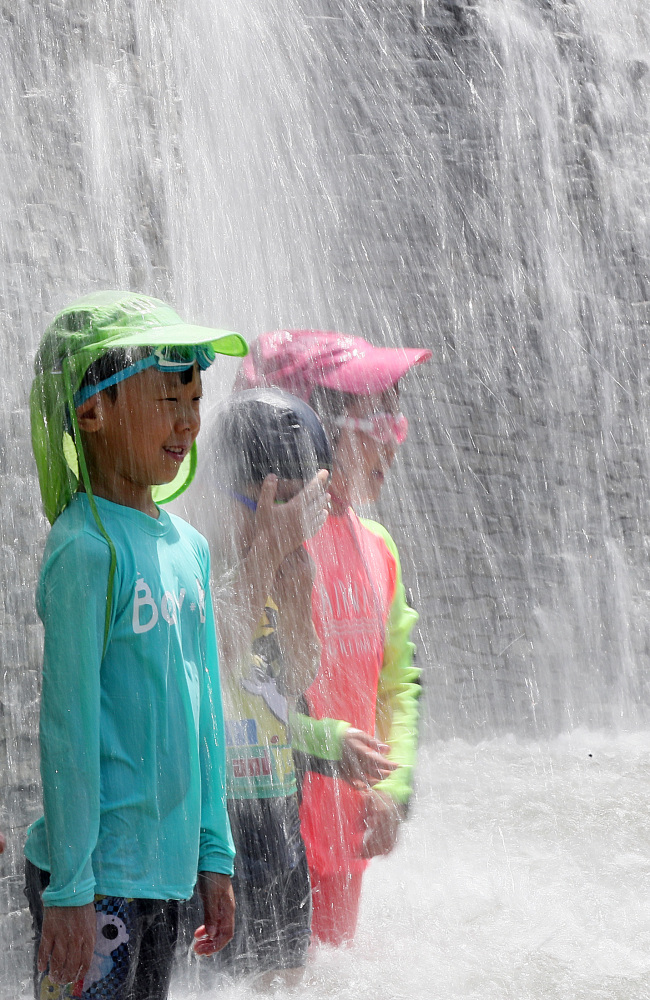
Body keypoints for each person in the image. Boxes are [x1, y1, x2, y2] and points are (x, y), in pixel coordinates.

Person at [24, 290, 248, 1000]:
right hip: (95, 882)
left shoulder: (191, 550)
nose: (188, 420)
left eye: (195, 397)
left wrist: (216, 852)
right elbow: (67, 728)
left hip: (169, 872)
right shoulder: (86, 550)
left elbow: (207, 711)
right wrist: (69, 890)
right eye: (168, 397)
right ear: (93, 411)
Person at [234, 328, 431, 946]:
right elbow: (236, 698)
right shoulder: (266, 549)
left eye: (397, 414)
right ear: (305, 424)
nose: (394, 436)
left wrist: (393, 789)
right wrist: (325, 744)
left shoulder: (380, 551)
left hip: (347, 835)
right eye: (376, 414)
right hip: (268, 837)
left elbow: (399, 683)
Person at [186, 388, 331, 988]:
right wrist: (266, 557)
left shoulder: (293, 565)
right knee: (207, 979)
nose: (289, 525)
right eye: (275, 507)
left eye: (302, 509)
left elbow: (297, 677)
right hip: (212, 826)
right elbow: (208, 658)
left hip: (275, 806)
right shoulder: (194, 557)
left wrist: (292, 578)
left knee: (284, 977)